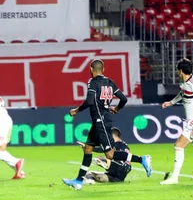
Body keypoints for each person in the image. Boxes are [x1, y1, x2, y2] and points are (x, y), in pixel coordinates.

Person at [62, 59, 152, 190]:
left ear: (91, 69)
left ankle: (142, 159)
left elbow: (89, 100)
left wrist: (76, 110)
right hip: (101, 120)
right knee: (88, 148)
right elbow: (124, 99)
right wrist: (116, 109)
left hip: (101, 120)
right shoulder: (110, 83)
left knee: (109, 154)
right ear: (103, 70)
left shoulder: (92, 82)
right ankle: (78, 180)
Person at [77, 127, 149, 184]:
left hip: (119, 168)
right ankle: (90, 181)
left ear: (112, 136)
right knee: (90, 174)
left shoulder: (116, 144)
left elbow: (103, 149)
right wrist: (88, 148)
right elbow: (103, 149)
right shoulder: (123, 145)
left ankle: (105, 163)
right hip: (118, 176)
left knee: (101, 158)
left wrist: (89, 148)